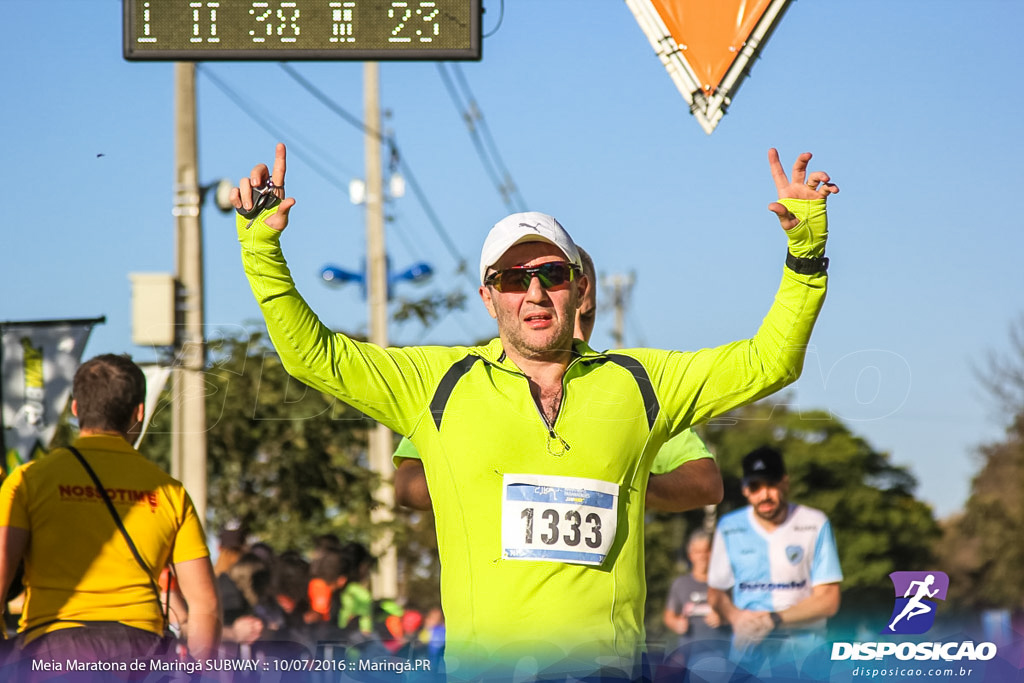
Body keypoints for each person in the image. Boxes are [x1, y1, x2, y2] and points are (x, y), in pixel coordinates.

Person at [233, 143, 837, 679]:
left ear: (578, 287)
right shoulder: (437, 383)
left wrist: (805, 252)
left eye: (551, 273)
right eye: (514, 278)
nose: (536, 292)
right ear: (488, 296)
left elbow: (769, 363)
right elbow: (313, 356)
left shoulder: (638, 383)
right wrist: (261, 248)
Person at [393, 246, 723, 514]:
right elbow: (407, 480)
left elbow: (706, 482)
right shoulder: (466, 383)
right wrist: (489, 485)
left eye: (587, 316)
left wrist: (619, 485)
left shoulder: (628, 389)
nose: (575, 329)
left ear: (581, 295)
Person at [0, 354, 220, 667]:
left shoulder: (27, 481)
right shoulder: (170, 491)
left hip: (52, 651)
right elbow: (205, 606)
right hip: (140, 652)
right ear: (139, 413)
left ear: (76, 409)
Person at [707, 446, 842, 678]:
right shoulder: (729, 526)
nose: (764, 495)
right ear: (744, 490)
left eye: (771, 484)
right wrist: (736, 618)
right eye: (755, 487)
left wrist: (774, 620)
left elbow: (829, 600)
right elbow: (716, 593)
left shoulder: (815, 522)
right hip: (747, 655)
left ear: (785, 483)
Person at [663, 529, 728, 673]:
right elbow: (669, 616)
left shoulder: (725, 583)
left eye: (707, 551)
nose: (702, 556)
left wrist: (723, 618)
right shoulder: (680, 584)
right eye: (698, 552)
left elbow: (741, 615)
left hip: (721, 657)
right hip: (688, 658)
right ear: (690, 555)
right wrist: (676, 624)